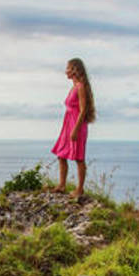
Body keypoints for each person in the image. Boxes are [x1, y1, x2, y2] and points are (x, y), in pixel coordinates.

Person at [52, 58, 96, 198]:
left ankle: (79, 189)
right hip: (68, 125)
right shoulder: (74, 86)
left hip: (76, 125)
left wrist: (76, 129)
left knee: (79, 158)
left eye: (68, 68)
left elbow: (83, 110)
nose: (66, 71)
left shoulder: (81, 86)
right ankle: (62, 185)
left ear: (75, 70)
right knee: (61, 155)